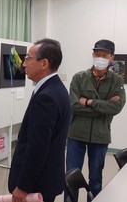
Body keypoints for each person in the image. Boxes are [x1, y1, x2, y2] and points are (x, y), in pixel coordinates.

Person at [8, 38, 71, 202]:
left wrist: (23, 187)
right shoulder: (56, 89)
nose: (23, 64)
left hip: (37, 184)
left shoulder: (47, 97)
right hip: (46, 178)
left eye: (28, 58)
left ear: (44, 63)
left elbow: (37, 147)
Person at [65, 39, 126, 202]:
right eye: (97, 54)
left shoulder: (117, 81)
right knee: (70, 178)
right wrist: (103, 107)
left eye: (104, 55)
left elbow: (117, 107)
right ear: (92, 55)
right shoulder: (79, 77)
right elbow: (74, 106)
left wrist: (90, 102)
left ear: (111, 57)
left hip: (100, 136)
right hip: (76, 134)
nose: (99, 58)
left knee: (96, 179)